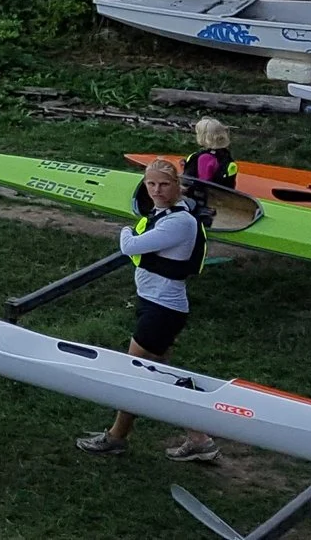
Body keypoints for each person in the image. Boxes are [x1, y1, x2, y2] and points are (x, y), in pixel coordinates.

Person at [77, 159, 217, 463]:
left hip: (163, 309)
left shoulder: (180, 221)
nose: (156, 190)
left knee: (134, 376)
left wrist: (127, 229)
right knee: (160, 378)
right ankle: (200, 439)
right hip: (152, 304)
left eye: (164, 184)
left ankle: (115, 438)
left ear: (177, 186)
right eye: (151, 184)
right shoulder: (162, 215)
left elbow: (129, 246)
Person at [186, 119, 238, 190]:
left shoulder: (205, 158)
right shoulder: (225, 156)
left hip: (203, 198)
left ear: (203, 137)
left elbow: (203, 184)